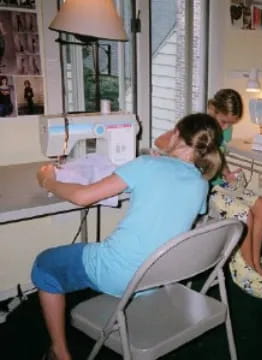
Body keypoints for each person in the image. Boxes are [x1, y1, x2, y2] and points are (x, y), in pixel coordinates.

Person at [31, 113, 223, 360]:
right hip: (156, 276)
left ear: (176, 134)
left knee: (44, 265)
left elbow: (82, 197)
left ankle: (60, 352)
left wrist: (48, 180)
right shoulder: (201, 183)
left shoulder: (145, 164)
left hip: (119, 274)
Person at [155, 89, 262, 303]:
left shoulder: (225, 130)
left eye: (230, 124)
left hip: (219, 182)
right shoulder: (196, 127)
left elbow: (217, 154)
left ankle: (256, 262)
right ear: (211, 108)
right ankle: (248, 270)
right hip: (202, 187)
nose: (225, 128)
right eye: (222, 122)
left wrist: (227, 173)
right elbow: (160, 142)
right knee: (243, 213)